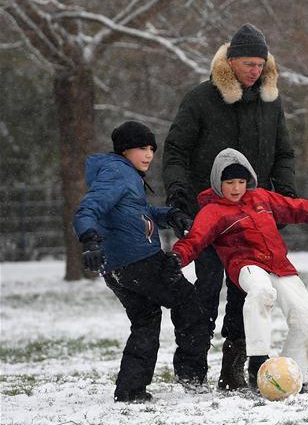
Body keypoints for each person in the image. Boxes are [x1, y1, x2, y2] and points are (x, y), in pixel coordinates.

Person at [163, 23, 298, 390]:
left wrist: (283, 193)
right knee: (205, 289)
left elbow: (283, 152)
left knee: (248, 293)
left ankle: (234, 369)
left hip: (251, 218)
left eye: (261, 64)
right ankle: (191, 369)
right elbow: (175, 150)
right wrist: (177, 192)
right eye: (248, 64)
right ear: (231, 61)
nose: (255, 71)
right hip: (207, 215)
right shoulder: (201, 99)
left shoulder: (271, 104)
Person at [172, 148, 308, 392]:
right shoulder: (213, 210)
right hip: (247, 265)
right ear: (218, 182)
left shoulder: (261, 198)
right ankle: (258, 361)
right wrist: (177, 257)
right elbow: (195, 239)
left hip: (279, 265)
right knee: (262, 293)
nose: (236, 188)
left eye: (241, 182)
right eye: (229, 182)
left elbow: (297, 208)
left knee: (307, 320)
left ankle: (291, 378)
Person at [73, 120, 209, 402]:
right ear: (124, 151)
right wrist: (89, 238)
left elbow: (138, 211)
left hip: (116, 268)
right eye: (141, 148)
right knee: (189, 303)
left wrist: (169, 215)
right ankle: (191, 375)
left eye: (151, 148)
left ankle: (131, 390)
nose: (148, 155)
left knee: (146, 318)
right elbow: (89, 207)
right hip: (140, 260)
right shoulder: (117, 174)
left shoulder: (122, 174)